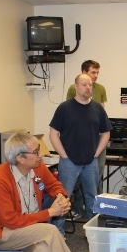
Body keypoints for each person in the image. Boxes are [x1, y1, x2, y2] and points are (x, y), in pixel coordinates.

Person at [49, 73, 111, 235]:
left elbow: (106, 133)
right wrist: (64, 156)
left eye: (90, 85)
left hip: (90, 162)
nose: (88, 88)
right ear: (76, 87)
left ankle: (94, 232)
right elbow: (53, 133)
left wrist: (96, 154)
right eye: (84, 85)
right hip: (69, 162)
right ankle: (57, 233)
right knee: (63, 197)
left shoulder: (97, 108)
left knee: (92, 197)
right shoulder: (64, 108)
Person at [66, 60, 108, 218]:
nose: (95, 76)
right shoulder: (73, 89)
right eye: (92, 72)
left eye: (97, 73)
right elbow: (71, 110)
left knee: (97, 176)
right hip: (77, 141)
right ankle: (77, 208)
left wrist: (96, 152)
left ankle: (98, 212)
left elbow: (101, 113)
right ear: (84, 72)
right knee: (76, 178)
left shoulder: (101, 89)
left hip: (95, 140)